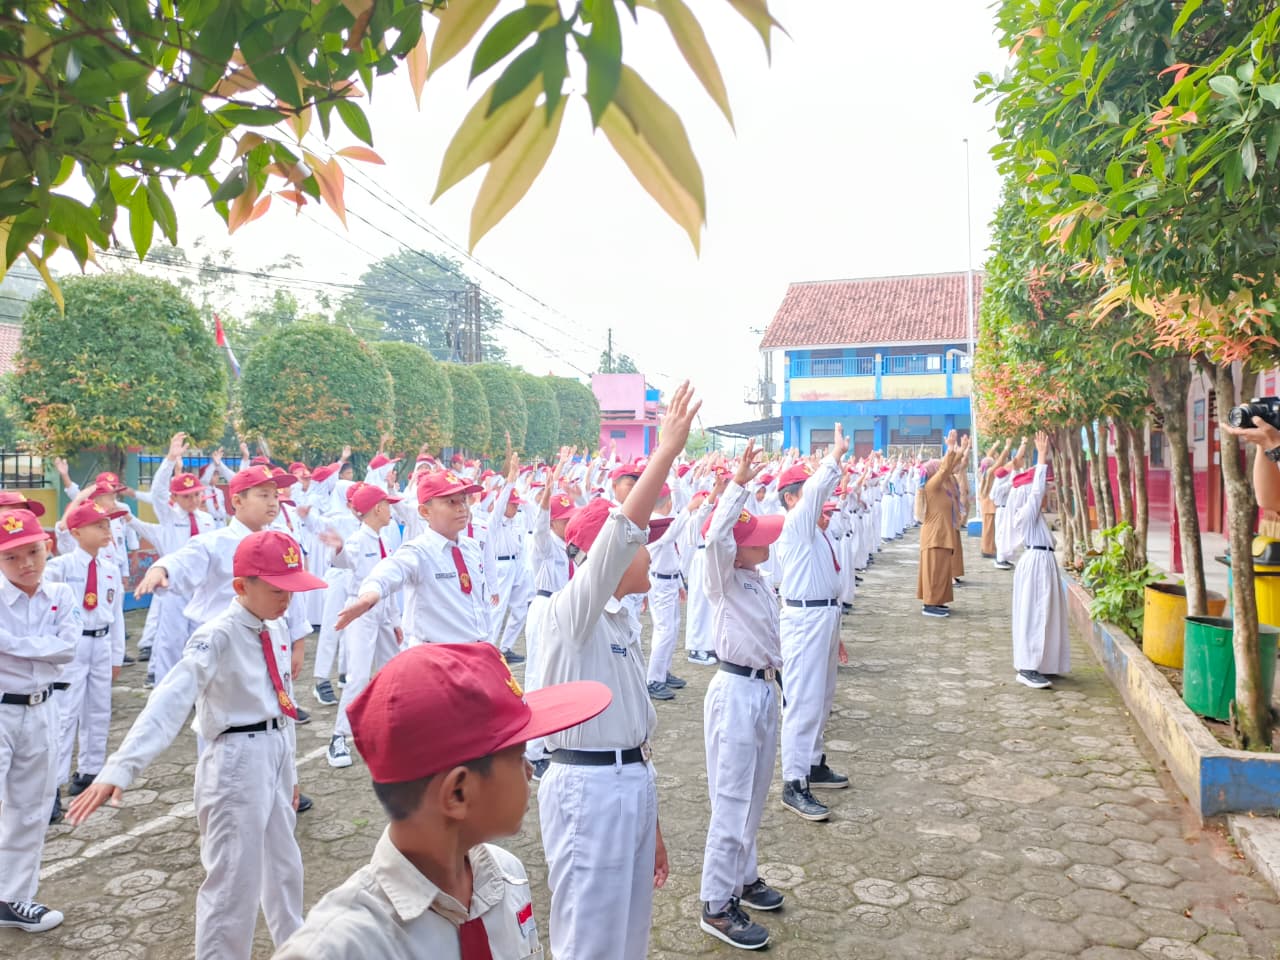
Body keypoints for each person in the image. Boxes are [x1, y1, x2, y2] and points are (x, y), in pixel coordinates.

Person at [68, 530, 328, 960]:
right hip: (235, 761)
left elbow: (282, 702)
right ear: (242, 586)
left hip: (275, 748)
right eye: (278, 589)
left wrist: (291, 773)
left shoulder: (275, 625)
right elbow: (169, 700)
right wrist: (121, 767)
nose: (288, 599)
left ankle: (294, 949)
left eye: (292, 589)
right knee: (232, 885)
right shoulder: (217, 635)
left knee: (284, 869)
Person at [270, 642, 612, 960]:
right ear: (458, 793)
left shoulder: (505, 876)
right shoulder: (341, 948)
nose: (528, 769)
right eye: (519, 753)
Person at [536, 381, 699, 960]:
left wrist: (649, 825)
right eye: (640, 542)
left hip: (626, 782)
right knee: (589, 942)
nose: (649, 549)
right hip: (588, 789)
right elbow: (620, 535)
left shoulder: (619, 621)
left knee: (628, 939)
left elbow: (633, 736)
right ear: (602, 557)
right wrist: (666, 453)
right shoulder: (569, 615)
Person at [698, 440, 787, 950]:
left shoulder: (754, 579)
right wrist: (736, 486)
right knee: (730, 800)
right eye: (758, 539)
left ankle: (743, 876)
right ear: (739, 545)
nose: (767, 545)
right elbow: (714, 541)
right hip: (733, 691)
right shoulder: (724, 578)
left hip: (760, 691)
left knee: (752, 797)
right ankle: (715, 903)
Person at [0, 509, 81, 932]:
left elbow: (67, 649)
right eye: (12, 557)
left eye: (33, 551)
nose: (26, 563)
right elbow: (54, 647)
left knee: (30, 808)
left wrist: (11, 645)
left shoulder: (61, 594)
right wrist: (41, 646)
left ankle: (14, 898)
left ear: (47, 546)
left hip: (43, 707)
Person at [774, 427, 850, 823]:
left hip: (823, 616)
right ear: (791, 498)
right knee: (802, 701)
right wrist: (834, 456)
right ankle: (793, 782)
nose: (818, 500)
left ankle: (814, 763)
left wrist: (837, 633)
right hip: (803, 619)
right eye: (805, 491)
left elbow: (829, 582)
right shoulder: (796, 524)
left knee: (821, 697)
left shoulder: (816, 533)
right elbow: (817, 491)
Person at [335, 469, 493, 645]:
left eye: (463, 500)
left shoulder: (471, 548)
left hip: (476, 650)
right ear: (425, 512)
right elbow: (390, 570)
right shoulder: (419, 552)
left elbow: (480, 602)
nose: (461, 508)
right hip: (437, 656)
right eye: (450, 502)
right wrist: (369, 595)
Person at [44, 499, 128, 823]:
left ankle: (90, 771)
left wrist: (116, 655)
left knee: (98, 710)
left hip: (102, 643)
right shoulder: (62, 566)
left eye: (108, 525)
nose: (107, 531)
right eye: (99, 525)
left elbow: (117, 615)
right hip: (74, 646)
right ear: (77, 533)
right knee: (65, 715)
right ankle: (52, 787)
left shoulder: (109, 569)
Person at [320, 483, 402, 769]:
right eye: (387, 505)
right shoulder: (358, 540)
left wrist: (395, 621)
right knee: (358, 676)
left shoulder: (385, 540)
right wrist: (338, 547)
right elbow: (342, 559)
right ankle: (339, 736)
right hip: (361, 611)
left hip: (383, 610)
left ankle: (393, 727)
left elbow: (389, 584)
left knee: (394, 669)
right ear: (377, 509)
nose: (391, 510)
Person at [1010, 432, 1070, 688]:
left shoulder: (1033, 517)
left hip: (1042, 563)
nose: (1047, 492)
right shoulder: (1026, 512)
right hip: (1035, 563)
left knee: (1046, 613)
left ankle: (1044, 663)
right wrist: (1041, 457)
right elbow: (1036, 494)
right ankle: (1027, 667)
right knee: (1034, 613)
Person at [916, 432, 970, 618]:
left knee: (940, 572)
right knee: (933, 571)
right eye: (937, 468)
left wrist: (961, 450)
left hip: (941, 534)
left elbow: (953, 467)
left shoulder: (943, 486)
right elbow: (946, 469)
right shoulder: (932, 486)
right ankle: (929, 605)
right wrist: (951, 447)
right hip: (934, 536)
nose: (941, 468)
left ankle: (937, 601)